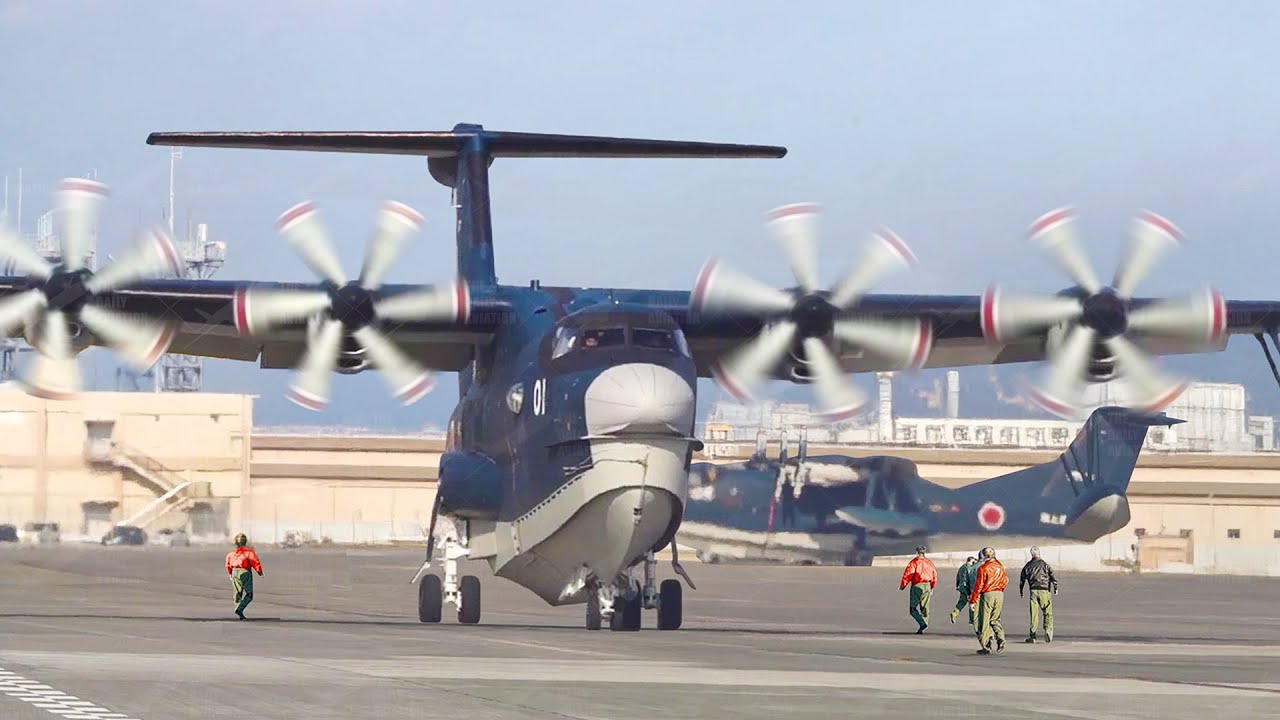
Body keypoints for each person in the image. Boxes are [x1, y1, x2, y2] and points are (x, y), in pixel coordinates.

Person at [969, 546, 1007, 654]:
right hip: (999, 593)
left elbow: (978, 585)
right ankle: (1001, 638)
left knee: (984, 621)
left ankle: (986, 646)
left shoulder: (983, 568)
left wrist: (973, 600)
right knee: (995, 619)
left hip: (988, 594)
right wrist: (1000, 589)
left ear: (984, 556)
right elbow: (1005, 580)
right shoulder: (1000, 566)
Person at [1019, 545, 1058, 643]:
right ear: (1039, 553)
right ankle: (1048, 631)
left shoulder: (1028, 565)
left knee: (1034, 614)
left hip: (1033, 591)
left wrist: (1021, 591)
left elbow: (1022, 578)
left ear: (1031, 554)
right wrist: (1055, 588)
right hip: (1044, 590)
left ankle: (1032, 636)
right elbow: (1052, 576)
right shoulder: (1044, 564)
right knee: (1047, 612)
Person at [899, 545, 937, 634]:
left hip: (917, 585)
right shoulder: (929, 563)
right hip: (927, 585)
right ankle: (924, 624)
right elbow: (934, 576)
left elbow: (908, 574)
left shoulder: (914, 562)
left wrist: (903, 585)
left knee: (913, 608)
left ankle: (922, 623)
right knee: (925, 607)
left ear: (917, 552)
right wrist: (932, 587)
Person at [225, 533, 264, 619]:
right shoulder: (249, 552)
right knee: (249, 594)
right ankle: (240, 608)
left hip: (235, 572)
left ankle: (238, 609)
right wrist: (260, 572)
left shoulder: (231, 554)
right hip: (246, 572)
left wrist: (230, 574)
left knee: (237, 593)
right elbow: (255, 562)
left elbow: (228, 565)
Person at [949, 555, 979, 625]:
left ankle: (954, 613)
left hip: (962, 587)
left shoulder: (961, 567)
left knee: (961, 602)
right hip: (967, 588)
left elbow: (958, 577)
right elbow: (970, 579)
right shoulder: (969, 568)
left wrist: (958, 586)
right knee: (972, 603)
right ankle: (972, 619)